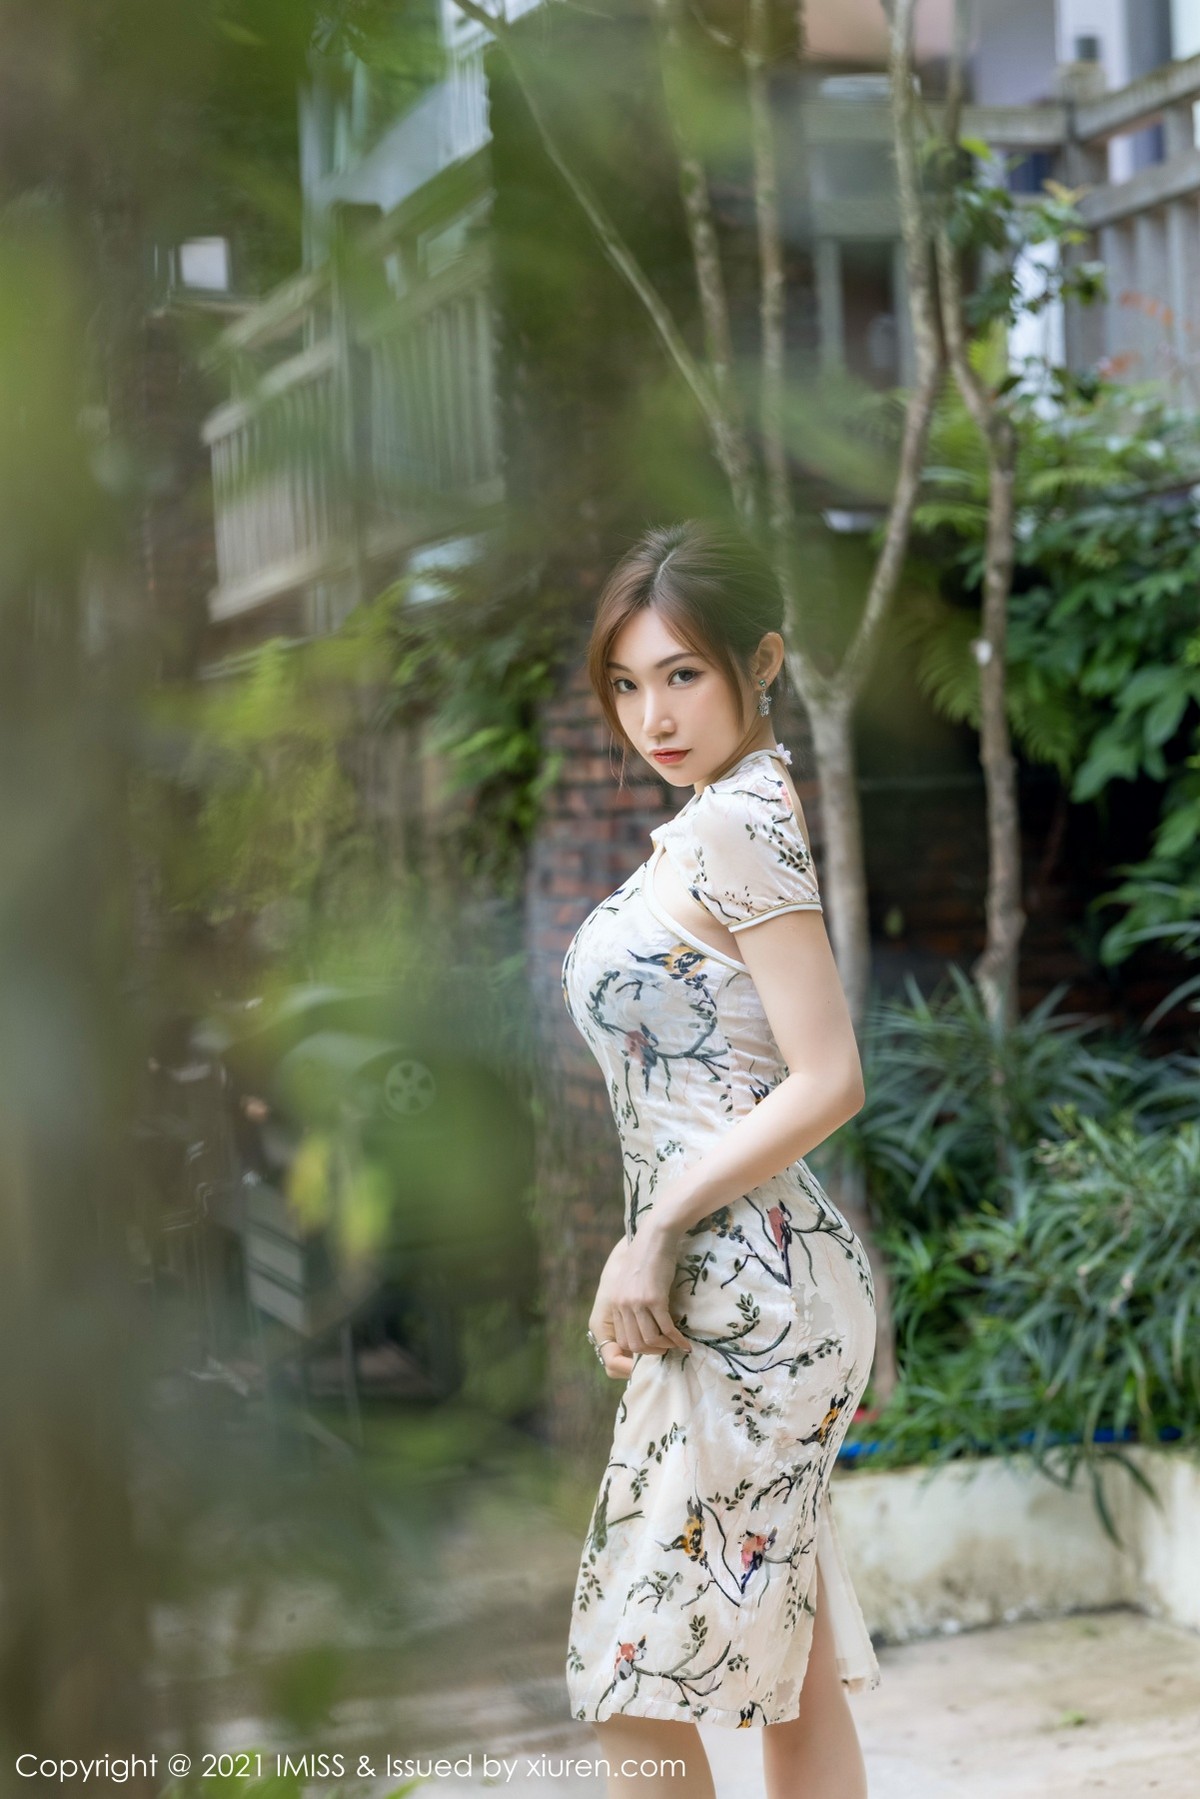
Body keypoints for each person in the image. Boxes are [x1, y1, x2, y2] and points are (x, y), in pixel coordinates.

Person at [560, 520, 879, 1799]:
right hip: (727, 1286)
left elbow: (829, 1074)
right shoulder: (715, 821)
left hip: (759, 1296)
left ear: (763, 661)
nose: (654, 714)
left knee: (630, 1669)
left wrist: (653, 1230)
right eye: (628, 683)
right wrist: (651, 1251)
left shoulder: (740, 821)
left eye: (683, 674)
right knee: (786, 1667)